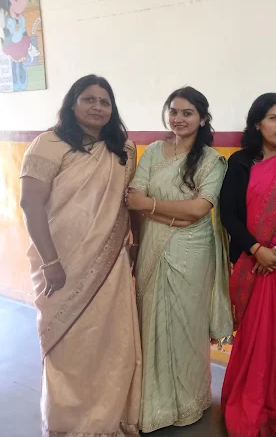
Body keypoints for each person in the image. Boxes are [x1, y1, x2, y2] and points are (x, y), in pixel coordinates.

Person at [19, 74, 141, 437]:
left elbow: (127, 203)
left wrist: (134, 244)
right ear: (72, 104)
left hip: (110, 263)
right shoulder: (48, 144)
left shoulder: (123, 150)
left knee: (111, 344)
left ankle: (108, 421)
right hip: (61, 264)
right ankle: (68, 426)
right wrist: (50, 262)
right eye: (89, 99)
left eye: (105, 101)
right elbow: (30, 205)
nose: (98, 107)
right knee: (68, 347)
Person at [125, 87, 232, 433]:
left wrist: (152, 207)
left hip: (192, 253)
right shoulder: (155, 151)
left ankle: (188, 402)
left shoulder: (211, 160)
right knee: (150, 320)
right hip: (153, 246)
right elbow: (133, 196)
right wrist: (172, 214)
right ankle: (153, 403)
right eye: (174, 111)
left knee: (187, 325)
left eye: (187, 113)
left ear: (202, 118)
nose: (179, 118)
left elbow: (200, 209)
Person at [220, 93, 276, 437]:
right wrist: (257, 250)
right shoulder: (240, 161)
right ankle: (250, 400)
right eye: (274, 118)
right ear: (258, 123)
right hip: (250, 259)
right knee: (253, 337)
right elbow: (228, 214)